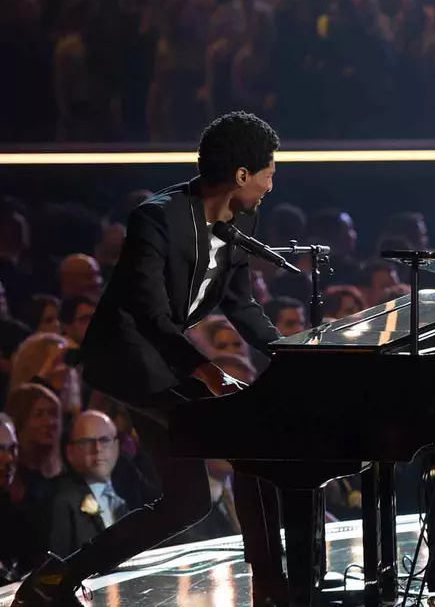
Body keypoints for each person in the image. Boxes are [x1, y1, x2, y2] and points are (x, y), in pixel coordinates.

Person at [13, 112, 288, 607]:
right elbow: (149, 312)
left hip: (167, 355)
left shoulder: (243, 217)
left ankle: (55, 581)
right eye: (269, 171)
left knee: (188, 502)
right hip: (131, 357)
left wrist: (292, 353)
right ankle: (272, 587)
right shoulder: (157, 218)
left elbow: (241, 302)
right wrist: (205, 368)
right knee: (247, 437)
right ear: (243, 174)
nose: (273, 183)